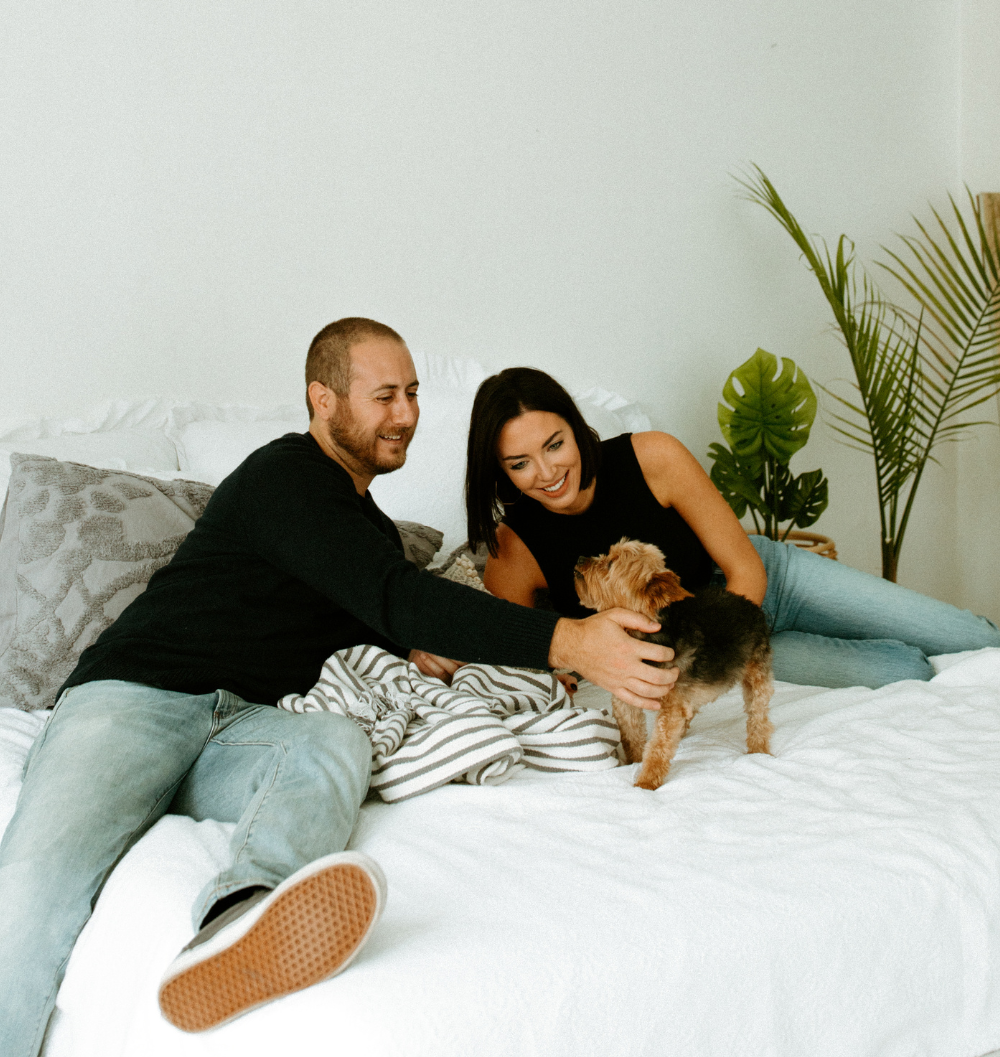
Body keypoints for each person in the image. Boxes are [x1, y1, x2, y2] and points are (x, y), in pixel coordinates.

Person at [0, 321, 679, 1055]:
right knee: (41, 881)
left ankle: (236, 923)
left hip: (248, 727)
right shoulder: (284, 476)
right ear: (322, 400)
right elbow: (395, 595)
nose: (407, 413)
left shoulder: (370, 532)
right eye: (384, 395)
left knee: (333, 741)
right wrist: (568, 639)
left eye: (413, 393)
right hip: (136, 699)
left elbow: (382, 607)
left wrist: (420, 647)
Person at [461, 366, 1000, 691]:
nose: (548, 472)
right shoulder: (516, 546)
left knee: (971, 637)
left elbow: (745, 568)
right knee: (903, 673)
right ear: (500, 471)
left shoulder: (653, 457)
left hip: (769, 583)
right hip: (703, 646)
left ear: (575, 429)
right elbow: (519, 647)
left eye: (555, 444)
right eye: (520, 463)